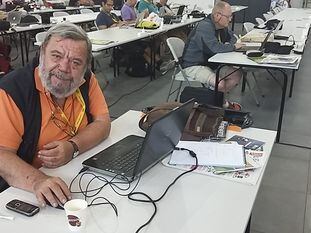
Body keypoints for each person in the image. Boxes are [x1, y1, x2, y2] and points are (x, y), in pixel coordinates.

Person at [0, 23, 111, 207]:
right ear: (42, 53)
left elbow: (103, 122)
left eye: (76, 62)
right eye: (56, 56)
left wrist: (72, 147)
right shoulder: (13, 91)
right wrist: (38, 181)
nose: (64, 68)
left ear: (85, 67)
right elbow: (2, 154)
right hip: (29, 188)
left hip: (78, 172)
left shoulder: (86, 80)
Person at [181, 1, 243, 110]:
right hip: (193, 65)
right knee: (220, 84)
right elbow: (214, 48)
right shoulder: (204, 27)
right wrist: (232, 47)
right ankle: (221, 104)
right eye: (228, 16)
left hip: (211, 63)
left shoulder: (221, 26)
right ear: (218, 16)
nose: (230, 19)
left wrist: (229, 44)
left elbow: (233, 37)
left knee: (236, 74)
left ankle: (216, 102)